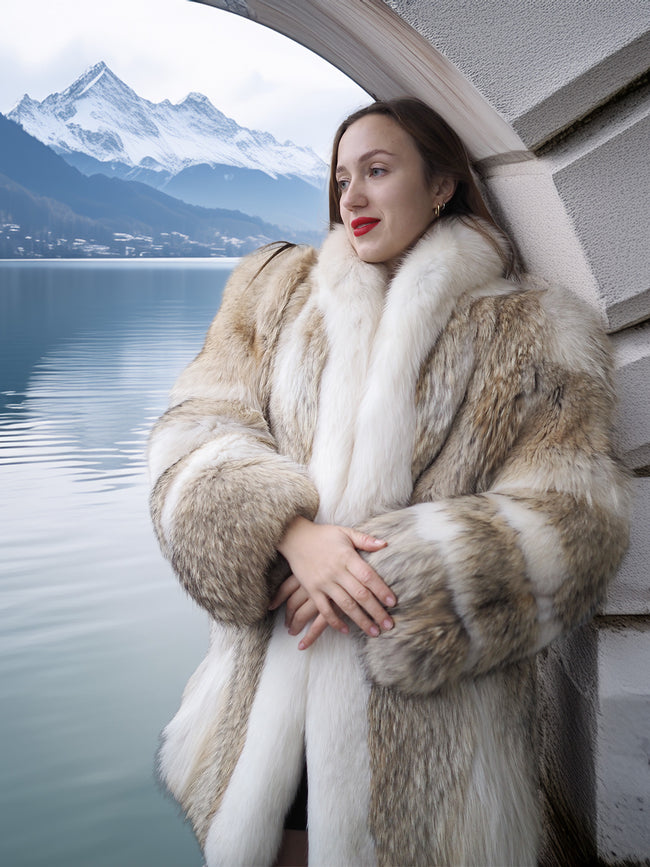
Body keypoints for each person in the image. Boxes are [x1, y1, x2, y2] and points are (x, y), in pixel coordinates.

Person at [148, 98, 630, 867]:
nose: (353, 199)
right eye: (343, 178)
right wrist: (292, 536)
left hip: (430, 738)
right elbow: (190, 435)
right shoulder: (274, 298)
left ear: (441, 185)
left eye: (378, 171)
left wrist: (379, 571)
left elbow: (578, 518)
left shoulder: (534, 328)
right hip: (268, 705)